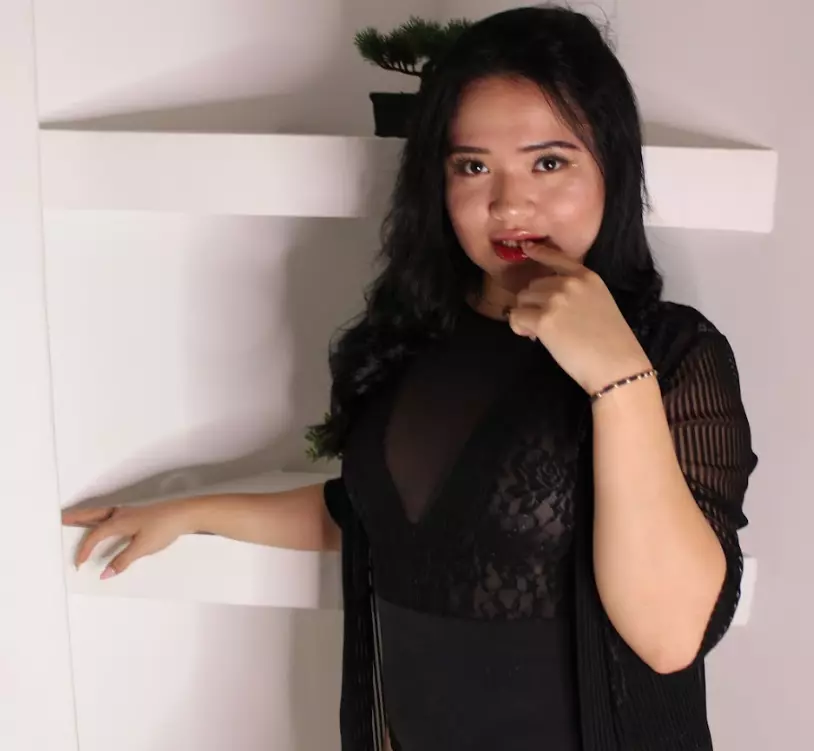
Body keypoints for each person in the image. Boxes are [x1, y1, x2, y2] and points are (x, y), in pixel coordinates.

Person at [62, 6, 758, 751]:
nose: (508, 203)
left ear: (612, 168)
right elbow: (382, 522)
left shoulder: (671, 352)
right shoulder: (413, 339)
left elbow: (669, 636)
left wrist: (616, 374)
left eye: (549, 162)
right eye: (473, 166)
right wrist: (192, 511)